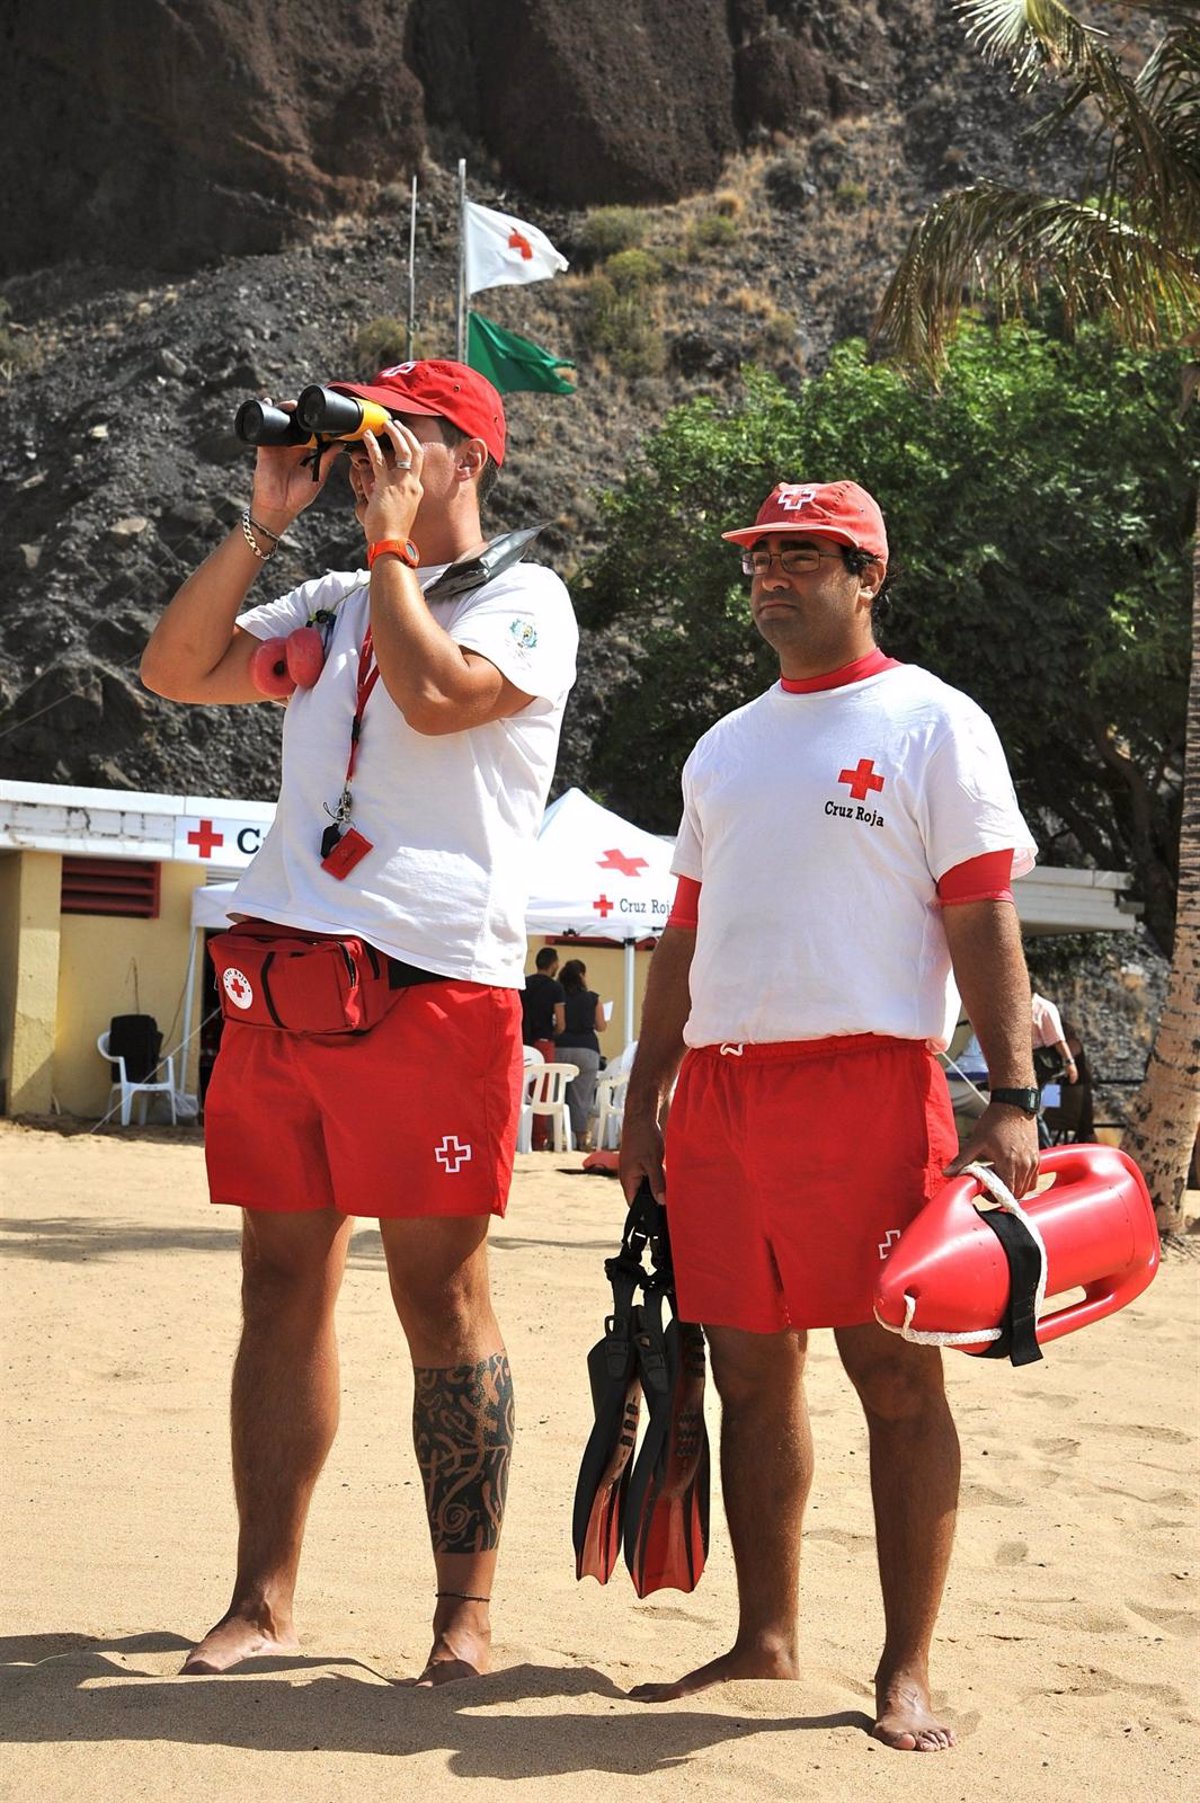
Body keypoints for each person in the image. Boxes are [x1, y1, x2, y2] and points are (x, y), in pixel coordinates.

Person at [140, 359, 578, 1682]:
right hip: (288, 977)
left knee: (439, 1295)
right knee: (277, 1284)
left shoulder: (528, 599)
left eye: (404, 436)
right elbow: (177, 668)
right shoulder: (329, 603)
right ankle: (261, 1595)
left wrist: (389, 547)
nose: (369, 457)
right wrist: (271, 511)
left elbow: (441, 694)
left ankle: (462, 1617)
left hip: (435, 987)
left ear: (470, 459)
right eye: (358, 439)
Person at [619, 480, 1040, 1751]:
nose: (773, 574)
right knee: (750, 1370)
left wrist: (1014, 1098)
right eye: (761, 554)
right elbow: (684, 935)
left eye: (807, 555)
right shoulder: (724, 745)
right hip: (724, 1094)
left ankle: (905, 1669)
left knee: (894, 1375)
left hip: (871, 1083)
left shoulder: (933, 723)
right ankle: (765, 1636)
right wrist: (645, 1096)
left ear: (868, 578)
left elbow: (982, 917)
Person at [554, 958, 604, 1144]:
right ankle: (582, 1138)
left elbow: (558, 1023)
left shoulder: (559, 997)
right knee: (582, 1097)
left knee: (556, 1095)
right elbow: (601, 1026)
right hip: (587, 1049)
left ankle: (554, 1138)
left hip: (560, 1047)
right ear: (582, 975)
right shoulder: (593, 998)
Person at [521, 946, 566, 1149]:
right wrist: (554, 1032)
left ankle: (520, 1136)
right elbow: (561, 1023)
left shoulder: (524, 984)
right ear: (553, 964)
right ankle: (538, 1140)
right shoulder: (555, 988)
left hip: (522, 1042)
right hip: (543, 1042)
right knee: (542, 1092)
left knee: (521, 1091)